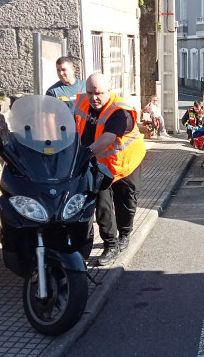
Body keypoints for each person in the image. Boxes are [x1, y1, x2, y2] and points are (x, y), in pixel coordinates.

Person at [74, 73, 145, 266]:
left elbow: (107, 138)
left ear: (109, 91)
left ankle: (125, 234)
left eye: (99, 93)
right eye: (90, 92)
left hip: (125, 163)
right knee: (102, 202)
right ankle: (111, 245)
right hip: (99, 162)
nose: (94, 97)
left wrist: (84, 154)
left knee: (126, 200)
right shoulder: (81, 103)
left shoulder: (120, 111)